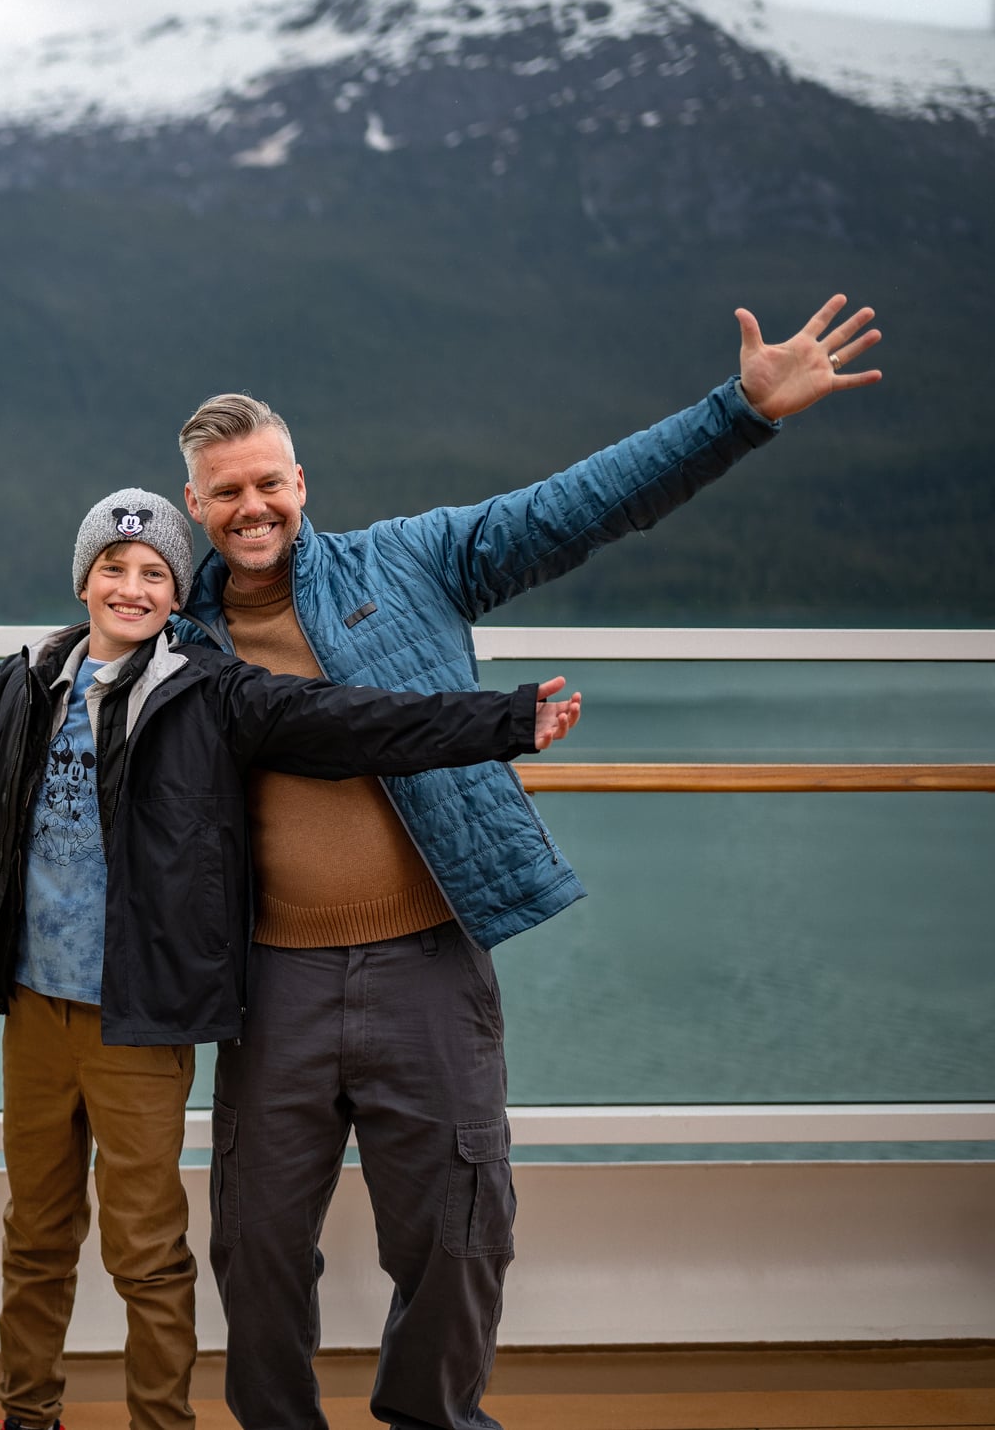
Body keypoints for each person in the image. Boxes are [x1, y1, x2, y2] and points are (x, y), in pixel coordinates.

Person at [173, 295, 885, 1430]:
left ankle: (432, 1420)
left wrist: (739, 411)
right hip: (271, 982)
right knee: (256, 1245)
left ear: (301, 483)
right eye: (228, 492)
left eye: (272, 482)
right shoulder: (176, 639)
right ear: (196, 508)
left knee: (460, 1231)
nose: (253, 507)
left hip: (427, 962)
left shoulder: (413, 561)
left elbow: (578, 507)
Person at [0, 489, 584, 1430]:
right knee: (35, 1231)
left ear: (177, 593)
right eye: (112, 568)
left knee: (144, 1246)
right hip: (32, 1009)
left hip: (138, 1016)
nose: (130, 587)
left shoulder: (211, 692)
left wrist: (499, 723)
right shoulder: (26, 681)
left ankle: (162, 1421)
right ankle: (25, 1413)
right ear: (82, 579)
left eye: (154, 573)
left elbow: (355, 722)